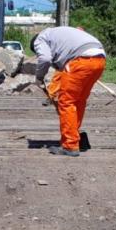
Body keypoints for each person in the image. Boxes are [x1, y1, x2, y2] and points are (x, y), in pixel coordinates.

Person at [31, 26, 106, 157]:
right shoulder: (57, 34)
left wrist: (39, 77)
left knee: (66, 103)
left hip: (80, 61)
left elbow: (45, 58)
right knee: (79, 101)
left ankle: (70, 146)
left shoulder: (40, 39)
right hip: (99, 59)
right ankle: (74, 137)